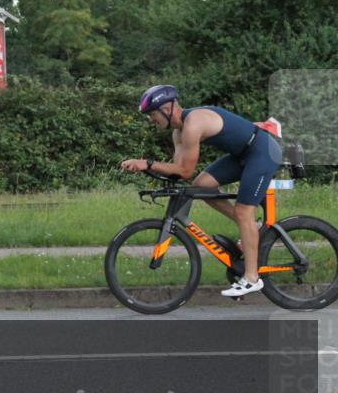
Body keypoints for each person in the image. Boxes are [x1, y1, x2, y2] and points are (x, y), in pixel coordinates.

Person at [120, 85, 282, 297]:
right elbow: (178, 172)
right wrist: (147, 168)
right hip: (243, 154)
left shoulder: (193, 124)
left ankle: (252, 278)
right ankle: (252, 229)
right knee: (202, 185)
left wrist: (148, 163)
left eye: (152, 114)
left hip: (263, 151)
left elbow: (185, 171)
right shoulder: (178, 134)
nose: (151, 119)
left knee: (244, 212)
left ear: (167, 108)